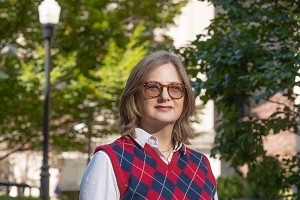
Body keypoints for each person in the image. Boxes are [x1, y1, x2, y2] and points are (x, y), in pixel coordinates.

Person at [79, 50, 218, 199]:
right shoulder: (110, 161)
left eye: (175, 88)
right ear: (135, 96)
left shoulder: (200, 165)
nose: (165, 96)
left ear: (185, 98)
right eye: (153, 87)